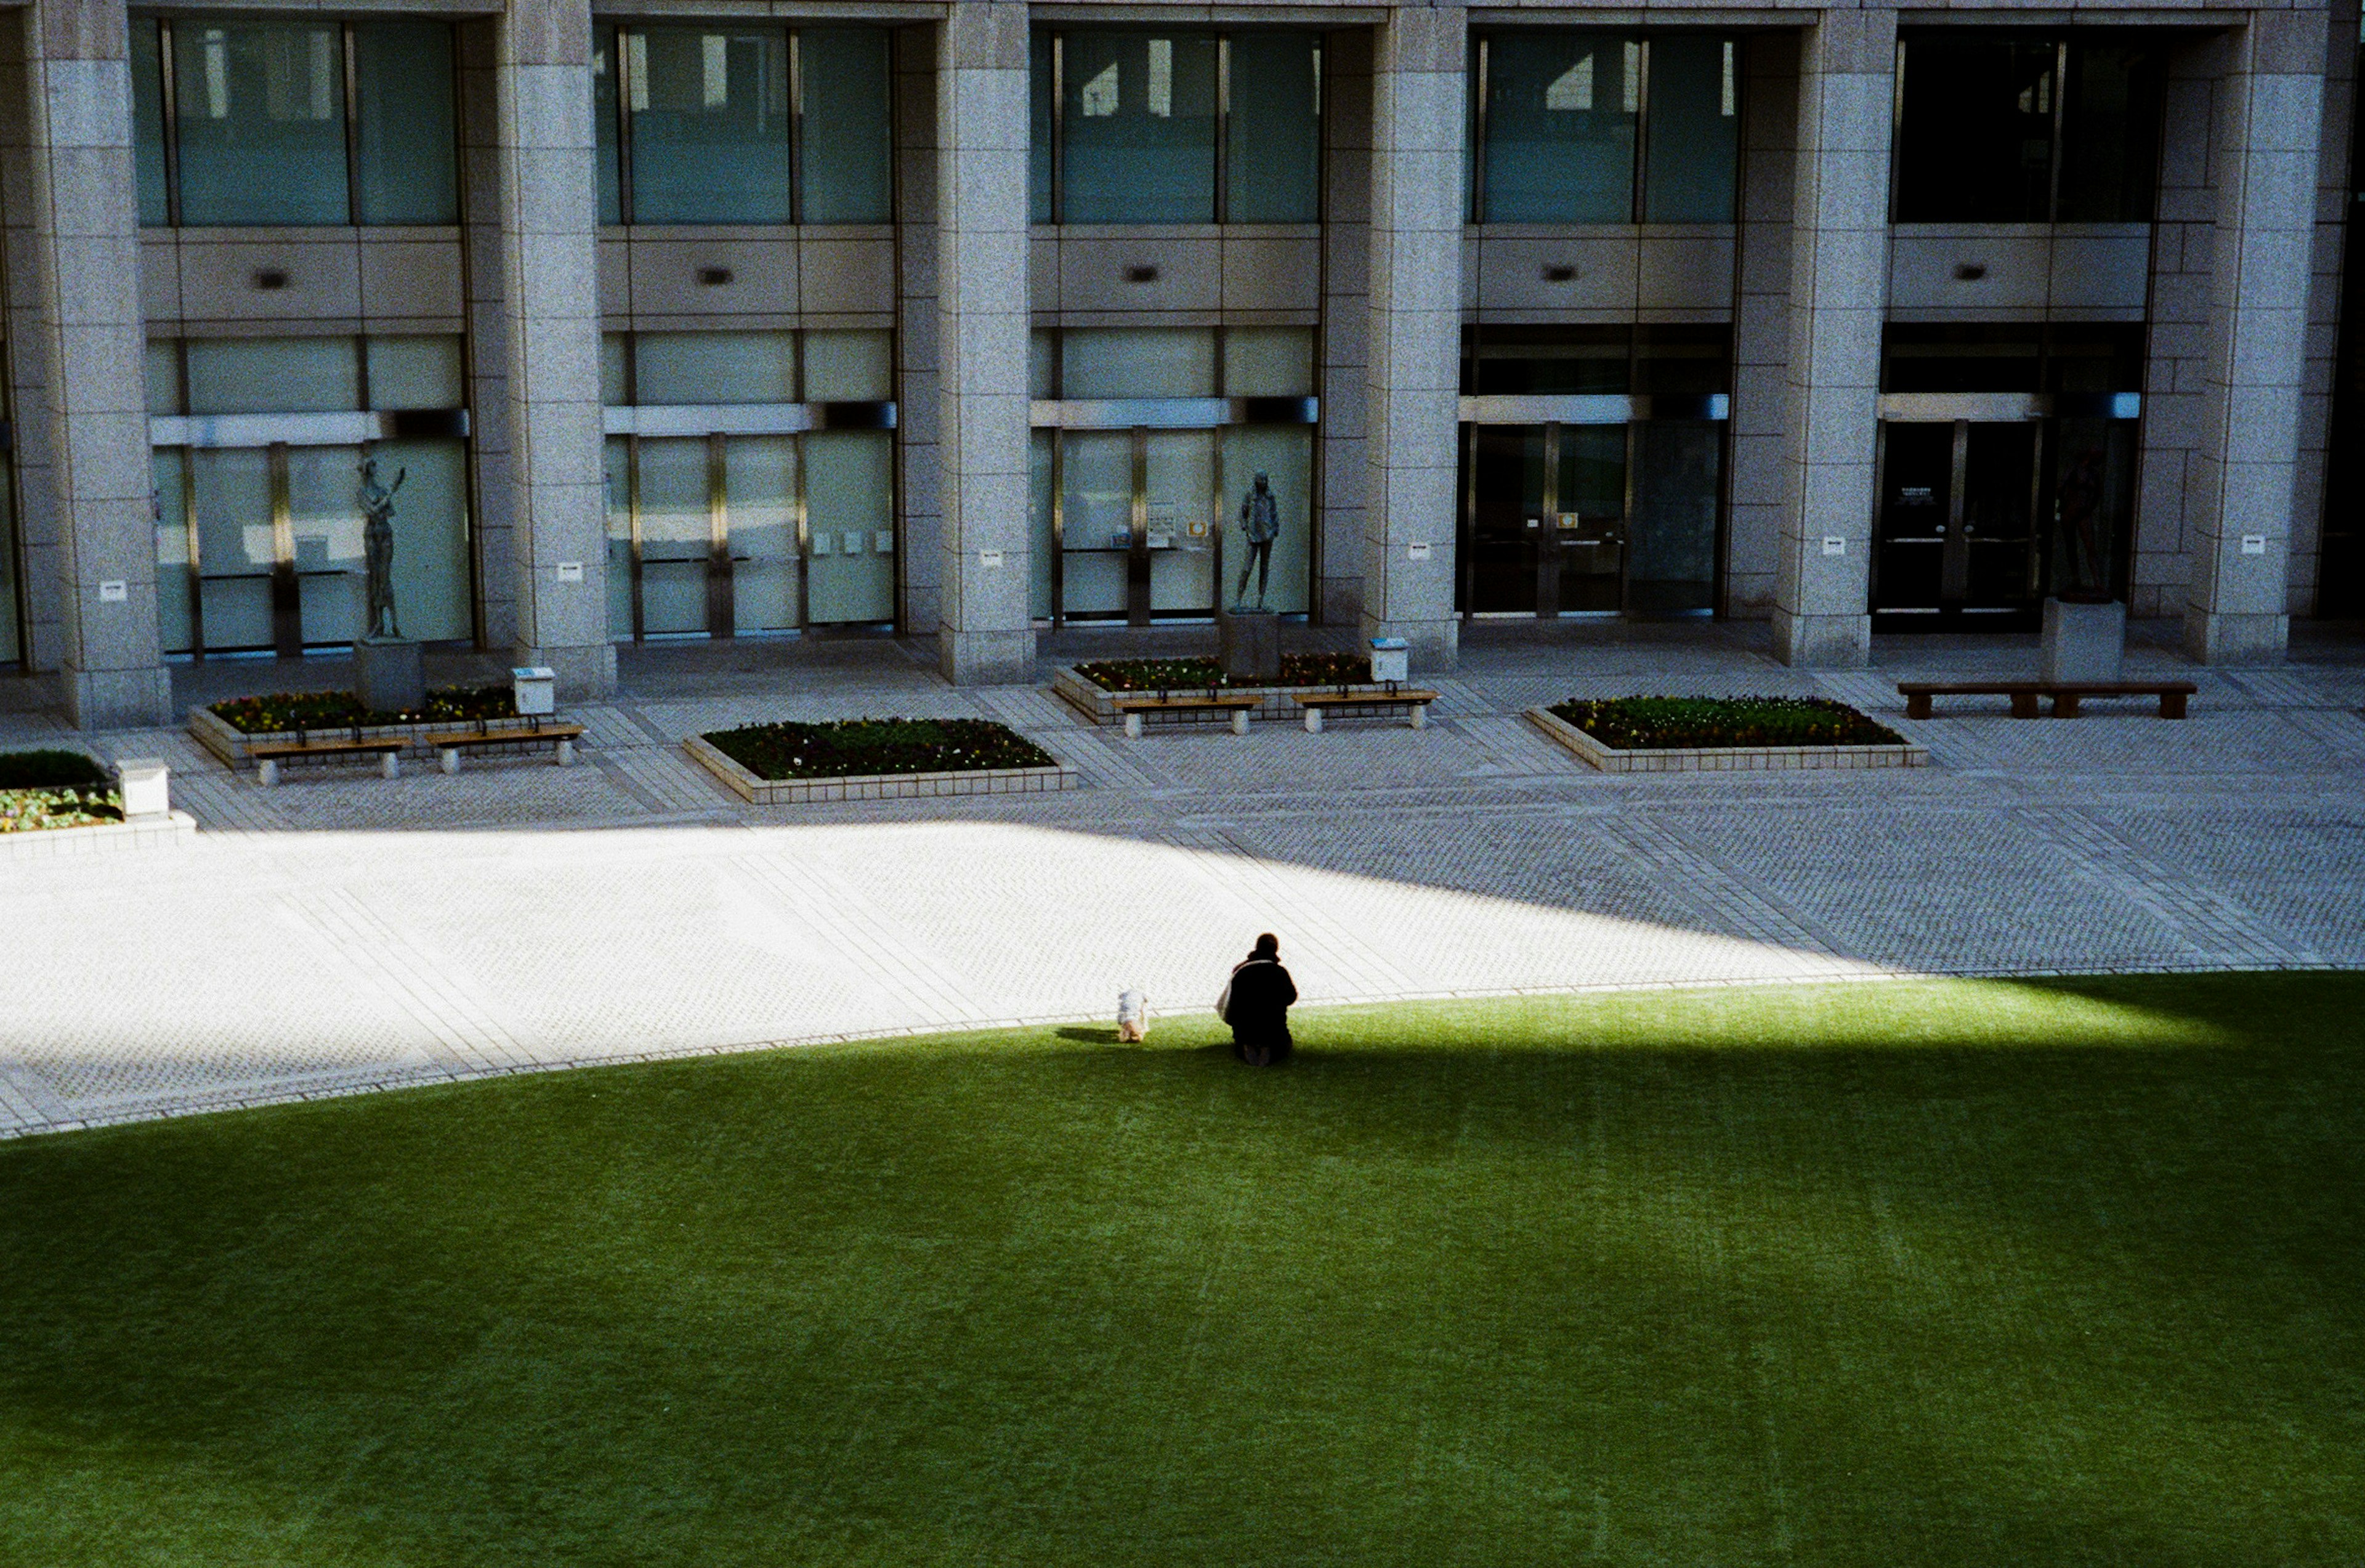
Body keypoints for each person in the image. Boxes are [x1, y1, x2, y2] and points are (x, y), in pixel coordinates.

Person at [1220, 932, 1297, 1065]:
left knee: (1246, 1035)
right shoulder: (1280, 972)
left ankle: (1249, 1045)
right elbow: (1291, 998)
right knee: (1281, 1041)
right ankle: (1266, 1047)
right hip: (1274, 1028)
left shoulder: (1241, 972)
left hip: (1245, 1029)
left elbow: (1228, 1006)